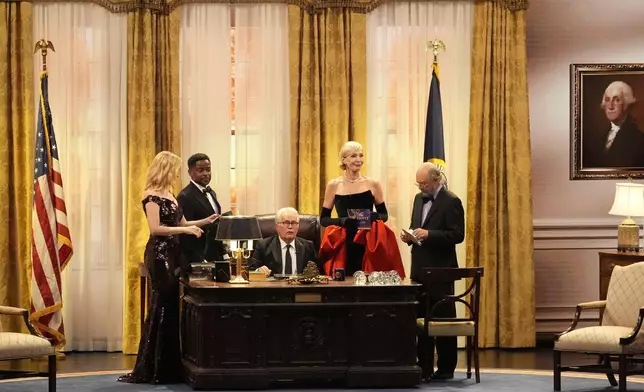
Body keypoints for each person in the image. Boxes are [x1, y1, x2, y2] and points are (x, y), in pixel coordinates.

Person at [118, 151, 218, 384]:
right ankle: (153, 367)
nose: (176, 173)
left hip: (174, 253)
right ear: (165, 169)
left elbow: (182, 223)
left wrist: (205, 221)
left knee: (172, 306)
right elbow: (156, 229)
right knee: (161, 306)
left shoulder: (170, 194)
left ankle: (168, 366)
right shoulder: (151, 195)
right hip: (160, 254)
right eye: (174, 169)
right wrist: (184, 231)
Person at [400, 162, 464, 381]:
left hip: (441, 270)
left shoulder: (452, 201)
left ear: (436, 180)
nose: (420, 188)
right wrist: (409, 236)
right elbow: (415, 225)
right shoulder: (419, 199)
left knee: (442, 320)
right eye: (418, 183)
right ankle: (423, 366)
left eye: (424, 183)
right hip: (419, 269)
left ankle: (446, 368)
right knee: (421, 320)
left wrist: (429, 234)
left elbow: (457, 235)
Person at [319, 141, 389, 275]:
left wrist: (374, 216)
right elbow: (323, 219)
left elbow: (384, 215)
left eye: (361, 155)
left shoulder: (373, 184)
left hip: (367, 242)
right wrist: (342, 221)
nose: (358, 160)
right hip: (343, 244)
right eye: (353, 156)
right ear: (343, 160)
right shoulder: (333, 185)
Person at [177, 153, 229, 266]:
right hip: (197, 257)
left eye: (208, 169)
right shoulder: (185, 196)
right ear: (190, 173)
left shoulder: (212, 192)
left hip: (214, 253)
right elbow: (184, 230)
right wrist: (198, 259)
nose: (206, 174)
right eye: (201, 170)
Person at [582, 81, 644, 168]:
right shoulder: (597, 138)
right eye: (607, 100)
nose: (610, 106)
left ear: (626, 104)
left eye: (617, 100)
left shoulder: (639, 140)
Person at [250, 207, 318, 276]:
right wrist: (258, 271)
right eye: (286, 223)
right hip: (274, 286)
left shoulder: (308, 246)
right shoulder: (263, 246)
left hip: (299, 285)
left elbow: (317, 271)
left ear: (298, 226)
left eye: (294, 223)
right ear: (277, 226)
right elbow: (251, 270)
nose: (290, 227)